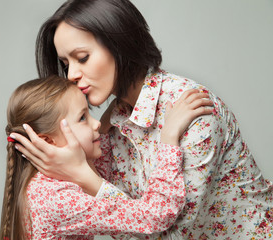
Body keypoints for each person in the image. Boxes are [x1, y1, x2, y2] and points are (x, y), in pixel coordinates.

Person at [14, 0, 273, 239]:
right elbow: (121, 221)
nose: (71, 74)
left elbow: (166, 234)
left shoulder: (192, 112)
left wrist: (82, 175)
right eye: (65, 63)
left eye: (82, 58)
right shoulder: (107, 126)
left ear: (119, 44)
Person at [0, 75, 213, 239]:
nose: (96, 123)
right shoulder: (54, 198)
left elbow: (103, 163)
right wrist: (169, 136)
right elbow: (154, 216)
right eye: (83, 117)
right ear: (48, 142)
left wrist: (110, 119)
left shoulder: (44, 183)